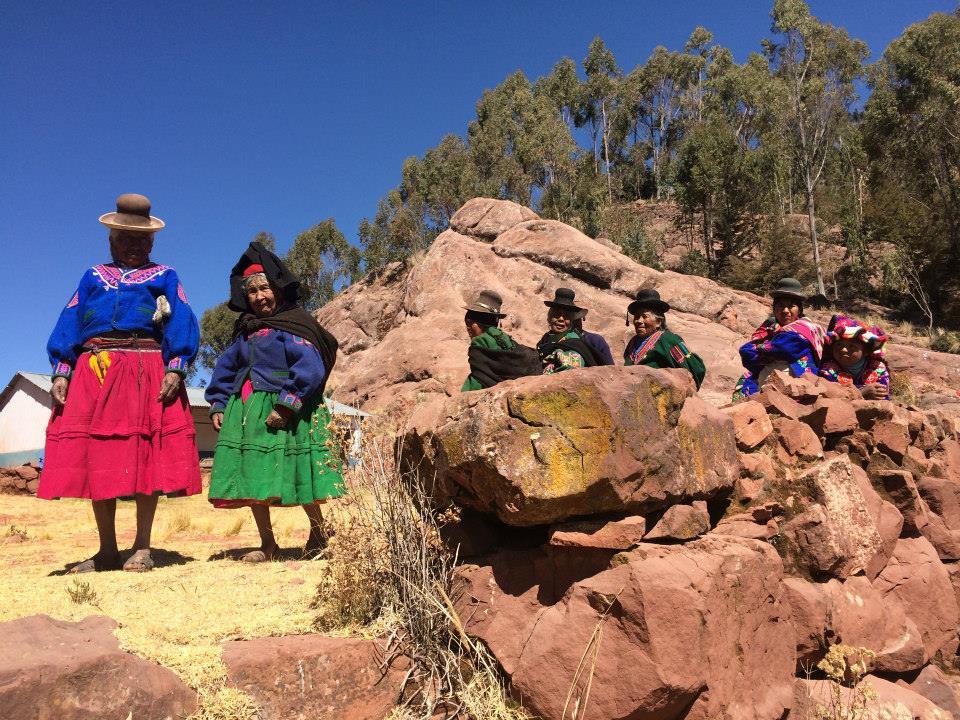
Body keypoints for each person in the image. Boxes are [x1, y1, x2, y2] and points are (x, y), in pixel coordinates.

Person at [39, 193, 201, 573]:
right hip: (94, 369)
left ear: (152, 242)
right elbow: (71, 319)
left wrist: (176, 367)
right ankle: (106, 550)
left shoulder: (165, 275)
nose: (135, 245)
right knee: (99, 456)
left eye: (142, 240)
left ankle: (142, 547)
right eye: (127, 238)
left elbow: (182, 318)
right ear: (111, 239)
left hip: (145, 367)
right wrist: (63, 368)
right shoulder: (93, 275)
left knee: (145, 453)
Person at [205, 242, 344, 561]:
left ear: (278, 289)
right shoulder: (246, 331)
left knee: (301, 471)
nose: (258, 297)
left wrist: (285, 406)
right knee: (254, 474)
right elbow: (226, 368)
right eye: (251, 292)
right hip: (250, 411)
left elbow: (310, 367)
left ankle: (320, 534)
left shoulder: (293, 325)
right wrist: (218, 403)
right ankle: (268, 544)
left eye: (264, 288)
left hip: (291, 412)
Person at [733, 277, 826, 400]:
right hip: (766, 376)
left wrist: (762, 350)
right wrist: (766, 350)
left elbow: (781, 348)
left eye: (791, 306)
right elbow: (746, 352)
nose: (785, 311)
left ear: (799, 309)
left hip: (798, 378)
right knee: (745, 381)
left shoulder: (804, 329)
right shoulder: (769, 328)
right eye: (780, 306)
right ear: (774, 309)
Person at [623, 289, 705, 389]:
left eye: (645, 316)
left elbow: (695, 369)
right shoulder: (633, 342)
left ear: (658, 322)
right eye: (636, 316)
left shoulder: (669, 340)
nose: (639, 321)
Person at [461, 290, 541, 391]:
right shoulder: (503, 338)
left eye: (470, 323)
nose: (468, 328)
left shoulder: (480, 342)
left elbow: (479, 378)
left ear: (479, 323)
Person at [819, 314, 891, 400]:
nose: (843, 350)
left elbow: (883, 397)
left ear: (866, 352)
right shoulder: (828, 369)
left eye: (852, 346)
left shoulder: (878, 369)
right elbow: (829, 395)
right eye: (838, 345)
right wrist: (862, 392)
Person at [537, 288, 603, 373]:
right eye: (556, 314)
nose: (561, 319)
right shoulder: (546, 339)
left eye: (566, 316)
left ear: (571, 321)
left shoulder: (575, 345)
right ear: (549, 318)